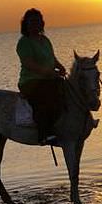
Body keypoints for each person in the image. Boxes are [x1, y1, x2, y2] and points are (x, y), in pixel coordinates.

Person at [16, 8, 67, 145]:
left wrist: (60, 66)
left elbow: (52, 58)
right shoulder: (24, 43)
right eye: (32, 22)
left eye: (38, 21)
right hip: (30, 81)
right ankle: (45, 134)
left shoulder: (45, 40)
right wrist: (49, 72)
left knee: (68, 89)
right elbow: (29, 64)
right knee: (46, 96)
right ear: (26, 24)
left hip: (48, 78)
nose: (35, 24)